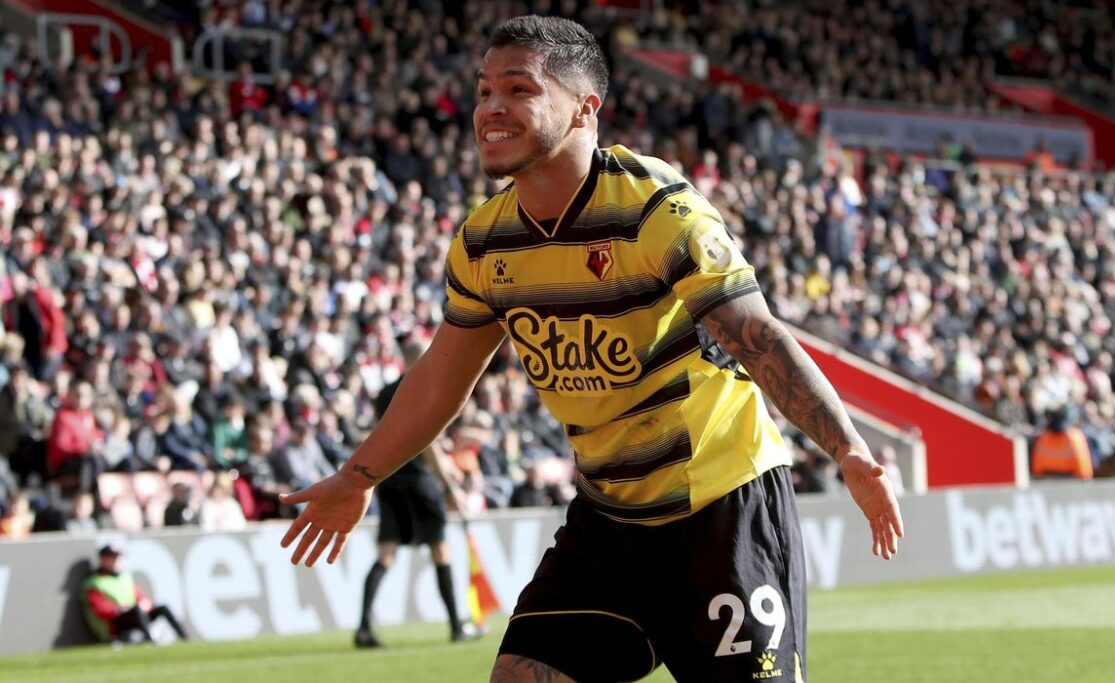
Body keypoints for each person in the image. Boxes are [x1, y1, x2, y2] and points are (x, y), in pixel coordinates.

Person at [280, 15, 903, 683]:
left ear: (585, 110)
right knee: (522, 674)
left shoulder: (657, 210)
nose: (490, 108)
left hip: (721, 509)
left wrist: (849, 449)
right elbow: (441, 377)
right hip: (610, 519)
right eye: (484, 90)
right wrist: (359, 475)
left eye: (518, 89)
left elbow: (757, 334)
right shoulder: (485, 242)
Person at [354, 337, 482, 648]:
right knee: (440, 550)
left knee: (386, 553)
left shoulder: (385, 393)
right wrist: (449, 487)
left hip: (388, 479)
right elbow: (430, 444)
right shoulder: (424, 388)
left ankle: (363, 628)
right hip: (419, 481)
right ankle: (456, 626)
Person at [81, 544, 189, 644]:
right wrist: (119, 609)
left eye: (117, 557)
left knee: (162, 608)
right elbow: (99, 609)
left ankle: (184, 637)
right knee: (136, 611)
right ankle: (150, 641)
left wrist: (145, 604)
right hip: (116, 623)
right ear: (103, 559)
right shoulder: (94, 583)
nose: (116, 561)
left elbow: (140, 596)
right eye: (112, 557)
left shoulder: (124, 578)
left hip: (135, 614)